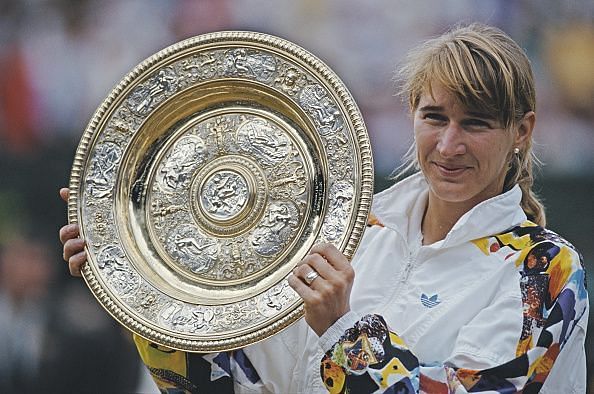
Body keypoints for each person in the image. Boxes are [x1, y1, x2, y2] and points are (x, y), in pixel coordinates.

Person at [60, 23, 589, 393]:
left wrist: (343, 330)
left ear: (522, 131)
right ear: (411, 114)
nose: (449, 145)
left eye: (476, 123)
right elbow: (234, 383)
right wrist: (141, 286)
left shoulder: (543, 273)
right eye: (434, 117)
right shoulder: (352, 230)